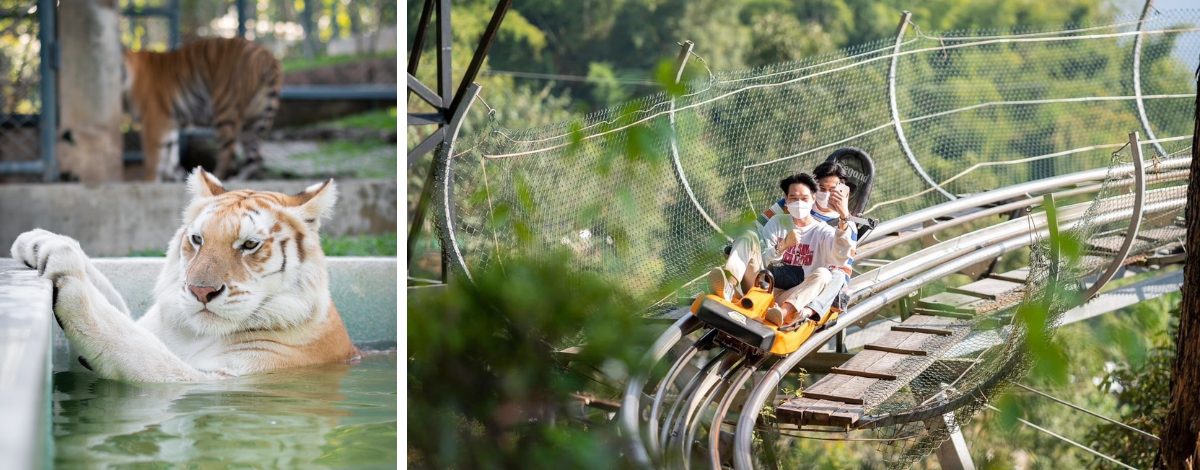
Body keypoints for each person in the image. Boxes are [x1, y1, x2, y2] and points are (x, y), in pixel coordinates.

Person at [709, 173, 856, 329]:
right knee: (749, 236)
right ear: (786, 200)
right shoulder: (777, 222)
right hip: (762, 285)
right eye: (794, 198)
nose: (799, 203)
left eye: (804, 199)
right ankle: (729, 286)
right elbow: (763, 261)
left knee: (824, 274)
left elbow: (841, 257)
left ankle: (781, 314)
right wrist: (783, 245)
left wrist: (844, 219)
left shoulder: (823, 232)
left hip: (789, 296)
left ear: (813, 198)